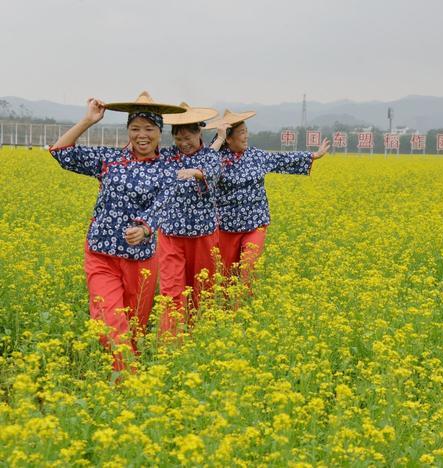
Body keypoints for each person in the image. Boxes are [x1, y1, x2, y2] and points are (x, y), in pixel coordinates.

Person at [49, 91, 185, 371]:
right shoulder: (110, 159)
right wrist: (88, 120)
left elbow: (163, 205)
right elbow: (60, 153)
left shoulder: (168, 168)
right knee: (109, 323)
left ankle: (125, 386)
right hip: (102, 254)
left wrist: (145, 229)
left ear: (160, 132)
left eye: (149, 129)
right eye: (135, 129)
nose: (142, 135)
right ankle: (128, 379)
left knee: (133, 326)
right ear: (128, 132)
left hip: (141, 261)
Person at [209, 110, 330, 289]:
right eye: (241, 132)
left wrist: (312, 156)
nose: (246, 136)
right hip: (227, 226)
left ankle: (247, 308)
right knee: (228, 275)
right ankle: (230, 312)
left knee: (248, 268)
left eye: (246, 131)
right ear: (228, 138)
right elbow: (201, 167)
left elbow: (281, 159)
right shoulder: (216, 159)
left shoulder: (256, 156)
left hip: (255, 223)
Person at [156, 103, 225, 336]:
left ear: (199, 133)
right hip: (170, 235)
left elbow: (212, 176)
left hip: (202, 236)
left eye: (188, 137)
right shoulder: (165, 156)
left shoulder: (211, 156)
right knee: (171, 290)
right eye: (178, 139)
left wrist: (196, 173)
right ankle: (170, 342)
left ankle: (196, 337)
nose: (183, 143)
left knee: (200, 290)